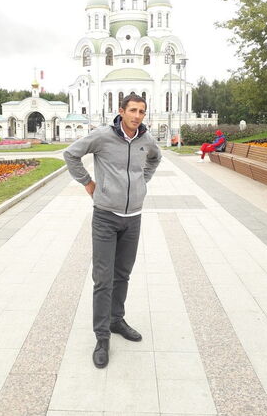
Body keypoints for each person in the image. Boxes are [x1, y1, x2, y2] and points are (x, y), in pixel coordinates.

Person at [63, 94, 161, 368]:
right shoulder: (102, 136)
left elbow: (155, 158)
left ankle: (117, 320)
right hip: (105, 217)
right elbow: (71, 154)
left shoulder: (145, 139)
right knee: (103, 279)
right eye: (133, 110)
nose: (137, 116)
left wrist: (142, 182)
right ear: (121, 111)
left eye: (141, 111)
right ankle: (102, 336)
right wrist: (88, 183)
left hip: (133, 218)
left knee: (122, 274)